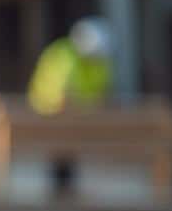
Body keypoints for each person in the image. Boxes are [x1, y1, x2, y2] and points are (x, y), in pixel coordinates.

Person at [28, 17, 115, 196]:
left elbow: (102, 90)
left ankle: (65, 184)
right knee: (62, 143)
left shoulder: (100, 61)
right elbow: (61, 94)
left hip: (81, 112)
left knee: (71, 142)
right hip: (51, 109)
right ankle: (61, 184)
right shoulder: (64, 55)